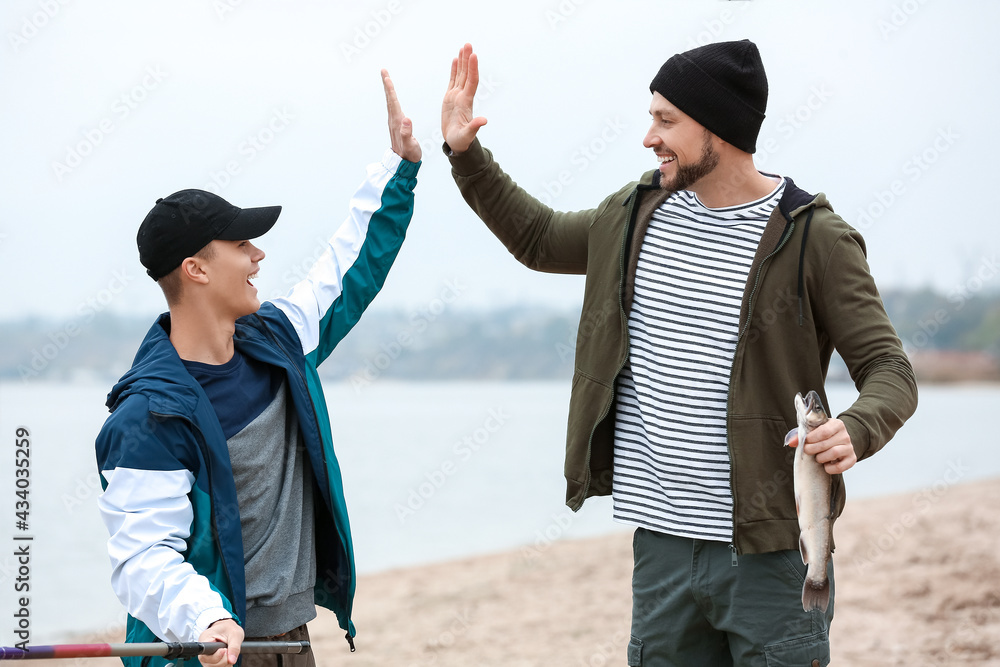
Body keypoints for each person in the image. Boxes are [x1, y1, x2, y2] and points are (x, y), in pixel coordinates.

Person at [440, 41, 917, 666]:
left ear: (717, 126)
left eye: (666, 121)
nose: (648, 137)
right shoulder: (636, 214)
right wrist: (465, 154)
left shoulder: (815, 239)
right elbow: (537, 238)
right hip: (660, 547)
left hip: (771, 552)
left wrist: (856, 427)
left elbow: (890, 371)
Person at [95, 70, 421, 667]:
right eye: (241, 244)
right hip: (204, 652)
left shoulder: (276, 340)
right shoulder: (146, 418)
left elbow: (349, 265)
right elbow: (143, 556)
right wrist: (208, 617)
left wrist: (398, 167)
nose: (259, 254)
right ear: (195, 269)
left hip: (291, 642)